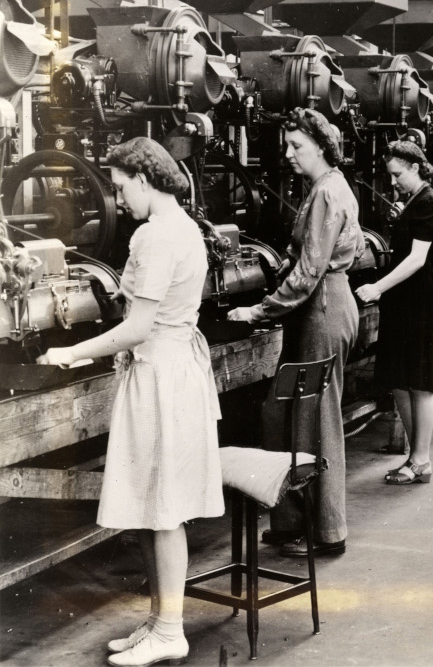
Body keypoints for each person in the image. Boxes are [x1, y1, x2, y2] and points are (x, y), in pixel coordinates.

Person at [38, 137, 224, 667]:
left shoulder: (156, 236)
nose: (118, 199)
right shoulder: (183, 228)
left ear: (143, 179)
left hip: (160, 377)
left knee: (162, 509)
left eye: (120, 187)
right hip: (171, 370)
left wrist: (72, 353)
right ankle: (159, 621)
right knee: (152, 504)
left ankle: (171, 630)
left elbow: (138, 327)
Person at [227, 107, 364, 558]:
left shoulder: (327, 192)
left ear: (321, 147)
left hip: (321, 308)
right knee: (283, 414)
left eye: (296, 146)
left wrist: (259, 310)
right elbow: (310, 254)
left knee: (315, 422)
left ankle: (326, 531)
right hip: (319, 308)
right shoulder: (327, 187)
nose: (288, 154)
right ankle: (291, 521)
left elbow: (309, 272)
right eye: (286, 145)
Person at [355, 142, 433, 484]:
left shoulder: (426, 201)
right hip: (404, 297)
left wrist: (378, 287)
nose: (393, 181)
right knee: (402, 382)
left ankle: (421, 459)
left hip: (417, 297)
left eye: (397, 174)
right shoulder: (414, 200)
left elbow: (417, 259)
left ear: (415, 167)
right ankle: (414, 457)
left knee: (419, 383)